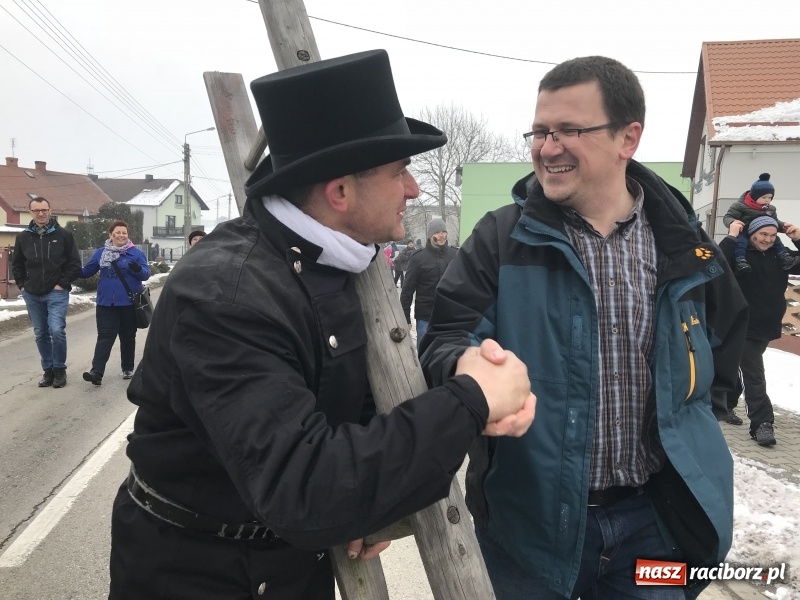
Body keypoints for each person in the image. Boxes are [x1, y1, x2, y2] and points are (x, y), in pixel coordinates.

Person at [108, 49, 535, 600]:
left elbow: (343, 412)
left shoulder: (331, 261)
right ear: (339, 192)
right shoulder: (227, 295)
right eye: (399, 171)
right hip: (194, 573)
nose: (414, 190)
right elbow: (305, 488)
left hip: (288, 564)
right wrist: (469, 400)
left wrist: (374, 498)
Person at [420, 56, 749, 600]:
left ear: (628, 138)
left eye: (569, 130)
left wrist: (694, 424)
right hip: (528, 531)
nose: (548, 147)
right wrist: (464, 364)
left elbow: (725, 341)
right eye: (541, 131)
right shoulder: (502, 239)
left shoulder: (681, 242)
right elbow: (443, 339)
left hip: (656, 528)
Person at [717, 216, 800, 446]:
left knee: (739, 366)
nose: (768, 240)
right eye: (763, 234)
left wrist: (798, 239)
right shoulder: (738, 256)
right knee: (754, 375)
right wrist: (732, 236)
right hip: (741, 324)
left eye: (773, 236)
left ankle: (724, 404)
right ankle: (762, 424)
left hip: (767, 326)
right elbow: (714, 263)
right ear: (752, 233)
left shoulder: (781, 257)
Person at [11, 197, 81, 388]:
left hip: (56, 292)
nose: (41, 213)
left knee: (57, 330)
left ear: (50, 211)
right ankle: (48, 370)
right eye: (36, 210)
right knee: (41, 332)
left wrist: (62, 283)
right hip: (32, 293)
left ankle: (59, 370)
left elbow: (74, 263)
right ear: (30, 213)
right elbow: (16, 264)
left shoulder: (64, 235)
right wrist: (22, 285)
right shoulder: (23, 237)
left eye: (44, 210)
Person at [79, 220, 150, 385]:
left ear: (127, 235)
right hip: (106, 304)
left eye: (124, 232)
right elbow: (87, 272)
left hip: (129, 303)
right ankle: (96, 372)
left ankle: (127, 368)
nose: (121, 235)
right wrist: (71, 267)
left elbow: (146, 275)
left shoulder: (136, 253)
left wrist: (138, 269)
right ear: (110, 235)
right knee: (105, 337)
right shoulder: (101, 253)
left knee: (127, 337)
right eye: (117, 232)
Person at [723, 173, 800, 274]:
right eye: (764, 197)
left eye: (770, 198)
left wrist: (793, 235)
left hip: (776, 282)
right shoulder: (740, 206)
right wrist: (732, 230)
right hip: (744, 230)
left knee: (777, 241)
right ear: (755, 196)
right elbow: (717, 264)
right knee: (741, 242)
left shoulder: (770, 209)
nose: (767, 200)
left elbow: (775, 222)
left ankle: (785, 257)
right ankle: (740, 260)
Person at [400, 217, 457, 350]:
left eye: (444, 231)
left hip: (450, 316)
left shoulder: (455, 255)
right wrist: (405, 317)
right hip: (425, 317)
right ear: (430, 235)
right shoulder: (418, 258)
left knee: (448, 354)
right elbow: (407, 290)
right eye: (437, 232)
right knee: (425, 353)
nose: (441, 235)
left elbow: (464, 286)